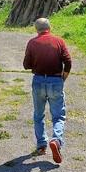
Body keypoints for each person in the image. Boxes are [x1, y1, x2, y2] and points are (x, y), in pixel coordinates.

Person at [22, 17, 71, 164]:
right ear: (50, 27)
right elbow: (68, 61)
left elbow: (26, 65)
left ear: (36, 29)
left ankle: (42, 145)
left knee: (38, 115)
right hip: (55, 80)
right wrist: (63, 77)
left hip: (38, 81)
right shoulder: (59, 41)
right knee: (58, 116)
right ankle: (56, 140)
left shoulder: (32, 43)